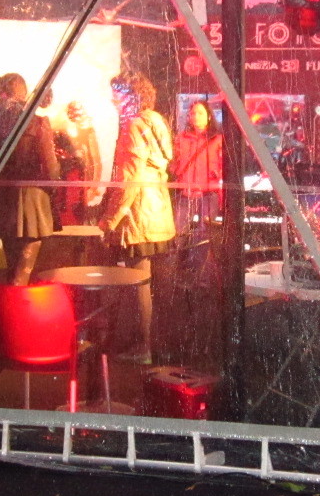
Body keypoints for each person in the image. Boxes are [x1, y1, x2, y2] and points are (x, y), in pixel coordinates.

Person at [101, 70, 175, 363]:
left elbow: (129, 179)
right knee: (145, 282)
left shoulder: (133, 126)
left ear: (131, 96)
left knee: (138, 284)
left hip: (137, 214)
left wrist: (110, 220)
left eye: (117, 94)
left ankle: (142, 347)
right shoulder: (155, 121)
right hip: (156, 209)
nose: (113, 100)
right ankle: (146, 344)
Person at [0, 72, 59, 284]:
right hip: (32, 200)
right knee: (23, 270)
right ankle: (16, 302)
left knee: (9, 266)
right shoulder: (36, 123)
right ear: (23, 93)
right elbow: (51, 167)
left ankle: (7, 301)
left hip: (4, 196)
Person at [172, 99, 223, 231]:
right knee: (178, 232)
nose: (196, 116)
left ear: (209, 116)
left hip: (208, 194)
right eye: (193, 113)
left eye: (200, 113)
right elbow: (174, 162)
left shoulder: (217, 139)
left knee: (204, 234)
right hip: (186, 193)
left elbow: (223, 166)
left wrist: (216, 176)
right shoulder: (181, 139)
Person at [53, 100, 103, 226]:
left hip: (80, 180)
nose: (74, 115)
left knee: (76, 215)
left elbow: (96, 160)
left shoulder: (87, 132)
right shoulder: (61, 132)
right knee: (65, 214)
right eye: (72, 112)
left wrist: (93, 186)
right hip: (64, 180)